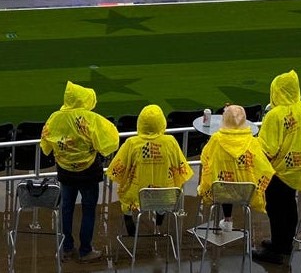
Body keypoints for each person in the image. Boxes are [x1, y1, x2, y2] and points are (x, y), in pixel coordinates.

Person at [40, 81, 119, 263]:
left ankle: (66, 247)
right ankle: (85, 250)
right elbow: (110, 140)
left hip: (65, 171)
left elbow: (45, 143)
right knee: (88, 209)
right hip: (89, 171)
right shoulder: (91, 119)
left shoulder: (55, 117)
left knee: (66, 207)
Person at [252, 71, 301, 265]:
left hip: (281, 172)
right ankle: (285, 244)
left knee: (276, 208)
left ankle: (277, 249)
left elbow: (267, 148)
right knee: (289, 205)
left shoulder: (275, 115)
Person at [107, 104, 193, 237]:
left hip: (136, 195)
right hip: (165, 195)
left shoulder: (131, 143)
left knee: (126, 199)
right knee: (164, 199)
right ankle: (159, 224)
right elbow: (182, 168)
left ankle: (130, 225)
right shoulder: (170, 142)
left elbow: (117, 168)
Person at [198, 105, 275, 234]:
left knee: (224, 184)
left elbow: (205, 160)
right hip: (245, 193)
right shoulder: (252, 141)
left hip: (219, 190)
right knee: (230, 185)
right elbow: (264, 168)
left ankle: (227, 219)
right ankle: (228, 220)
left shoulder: (216, 139)